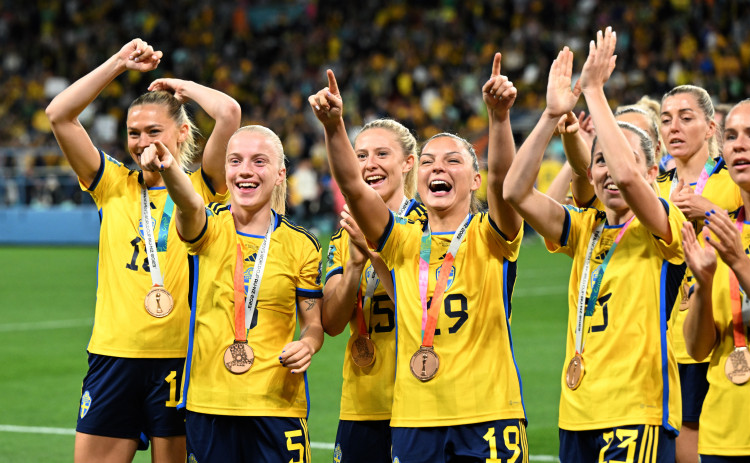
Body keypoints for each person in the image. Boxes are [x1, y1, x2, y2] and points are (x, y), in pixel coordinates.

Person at [311, 53, 528, 462]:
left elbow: (504, 182)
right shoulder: (405, 240)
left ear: (474, 179)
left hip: (487, 412)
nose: (436, 168)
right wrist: (333, 126)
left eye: (451, 161)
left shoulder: (491, 234)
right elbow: (354, 189)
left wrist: (499, 119)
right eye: (428, 161)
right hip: (414, 417)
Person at [45, 39, 240, 463]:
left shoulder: (204, 186)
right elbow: (59, 115)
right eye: (134, 133)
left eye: (154, 131)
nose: (142, 142)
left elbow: (229, 113)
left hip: (180, 359)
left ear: (182, 133)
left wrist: (181, 88)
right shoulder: (111, 183)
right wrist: (117, 63)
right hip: (114, 355)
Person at [504, 29, 684, 462]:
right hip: (577, 412)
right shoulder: (586, 227)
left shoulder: (665, 223)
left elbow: (627, 178)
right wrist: (550, 116)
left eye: (619, 159)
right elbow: (514, 190)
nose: (607, 171)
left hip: (636, 412)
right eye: (598, 160)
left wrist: (594, 91)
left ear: (652, 172)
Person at [139, 124, 324, 461]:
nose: (245, 171)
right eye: (235, 161)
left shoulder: (302, 245)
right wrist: (170, 168)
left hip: (277, 406)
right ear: (225, 171)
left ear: (281, 173)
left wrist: (308, 343)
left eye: (259, 161)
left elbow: (313, 322)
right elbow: (189, 205)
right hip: (210, 404)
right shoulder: (208, 228)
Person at [322, 118, 425, 463]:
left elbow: (421, 306)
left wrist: (375, 255)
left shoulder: (429, 224)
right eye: (361, 155)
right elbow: (333, 324)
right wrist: (352, 266)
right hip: (362, 403)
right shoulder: (343, 235)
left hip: (422, 400)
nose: (370, 164)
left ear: (408, 162)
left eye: (382, 153)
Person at [659, 84, 743, 463]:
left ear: (711, 128)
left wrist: (707, 209)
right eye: (666, 119)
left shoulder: (734, 183)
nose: (674, 127)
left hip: (711, 340)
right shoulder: (653, 189)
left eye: (686, 118)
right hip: (659, 346)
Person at [682, 97, 750, 462]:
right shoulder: (719, 232)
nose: (739, 144)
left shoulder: (728, 242)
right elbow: (698, 349)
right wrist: (705, 284)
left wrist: (739, 262)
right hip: (720, 434)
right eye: (731, 136)